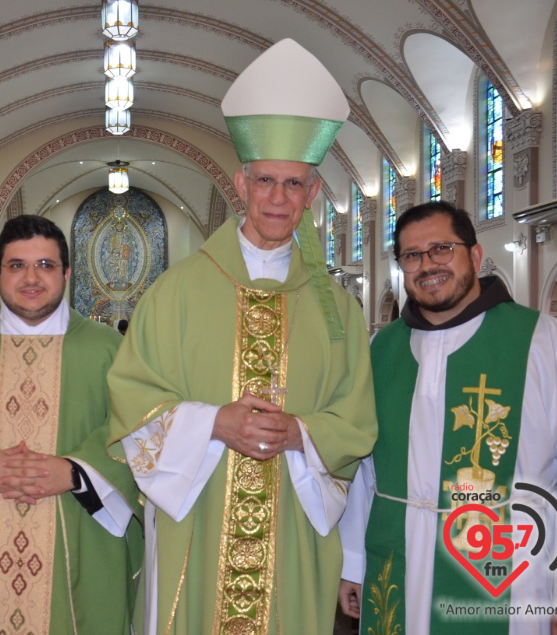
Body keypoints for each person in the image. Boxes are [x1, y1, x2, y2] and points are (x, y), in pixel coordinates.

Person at [107, 39, 377, 634]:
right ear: (241, 182)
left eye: (293, 185)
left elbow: (356, 422)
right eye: (265, 182)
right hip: (196, 523)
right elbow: (131, 400)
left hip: (295, 528)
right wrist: (214, 423)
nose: (278, 199)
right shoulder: (175, 291)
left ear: (311, 194)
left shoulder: (337, 308)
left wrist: (300, 432)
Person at [338, 202, 557, 635]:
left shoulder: (546, 343)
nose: (427, 265)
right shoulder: (381, 351)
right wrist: (354, 563)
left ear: (474, 256)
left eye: (441, 249)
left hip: (505, 574)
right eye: (412, 255)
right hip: (396, 561)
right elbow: (363, 469)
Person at [0, 214, 142, 634]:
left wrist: (75, 472)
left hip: (79, 536)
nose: (31, 278)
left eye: (46, 266)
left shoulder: (109, 350)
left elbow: (139, 427)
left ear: (67, 273)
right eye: (17, 265)